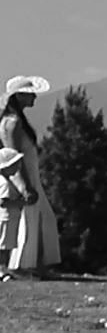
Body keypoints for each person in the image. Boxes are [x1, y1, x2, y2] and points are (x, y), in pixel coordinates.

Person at [1, 75, 60, 277]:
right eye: (29, 94)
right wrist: (24, 186)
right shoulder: (12, 123)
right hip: (24, 178)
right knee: (28, 221)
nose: (34, 97)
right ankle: (21, 265)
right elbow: (13, 155)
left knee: (41, 220)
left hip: (30, 176)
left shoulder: (16, 121)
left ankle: (32, 264)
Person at [0, 145, 29, 274]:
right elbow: (3, 202)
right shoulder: (4, 183)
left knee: (6, 245)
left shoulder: (5, 180)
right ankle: (1, 270)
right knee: (3, 247)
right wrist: (22, 202)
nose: (18, 167)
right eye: (15, 164)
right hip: (6, 217)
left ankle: (3, 269)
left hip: (9, 217)